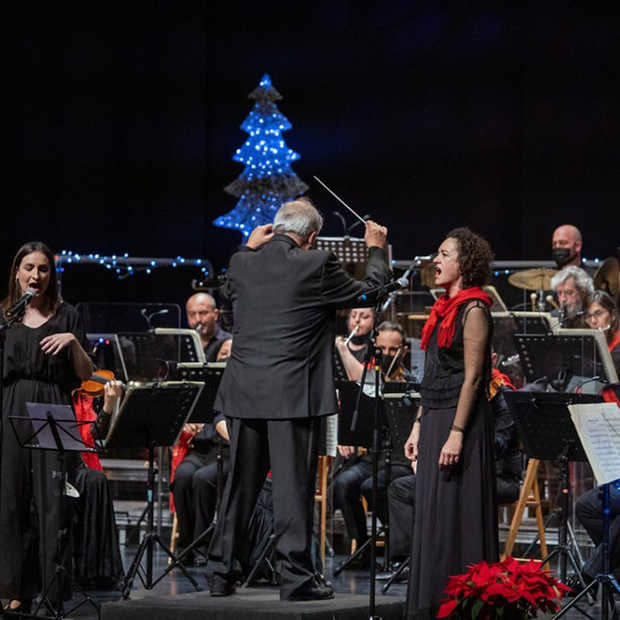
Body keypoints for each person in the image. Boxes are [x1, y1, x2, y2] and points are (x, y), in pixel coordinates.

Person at [205, 198, 390, 601]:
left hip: (245, 392)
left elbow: (228, 289)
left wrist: (246, 248)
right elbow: (372, 294)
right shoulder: (315, 263)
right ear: (311, 237)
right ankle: (295, 579)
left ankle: (221, 573)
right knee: (292, 489)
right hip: (291, 394)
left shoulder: (241, 262)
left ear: (274, 228)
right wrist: (376, 248)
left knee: (239, 487)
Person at [404, 227, 498, 620]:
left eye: (444, 254)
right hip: (436, 416)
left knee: (456, 512)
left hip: (462, 424)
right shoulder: (441, 309)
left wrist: (456, 434)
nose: (435, 261)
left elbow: (473, 379)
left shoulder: (475, 309)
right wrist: (418, 425)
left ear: (464, 263)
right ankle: (431, 603)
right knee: (433, 514)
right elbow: (434, 376)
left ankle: (463, 608)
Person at [0, 241, 93, 613]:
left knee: (53, 502)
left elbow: (86, 376)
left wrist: (73, 343)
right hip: (10, 407)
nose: (35, 276)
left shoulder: (66, 315)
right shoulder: (6, 315)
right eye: (28, 268)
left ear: (51, 274)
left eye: (42, 269)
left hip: (53, 405)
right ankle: (13, 588)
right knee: (11, 501)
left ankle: (52, 590)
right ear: (16, 272)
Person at [388, 359, 521, 572]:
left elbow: (497, 447)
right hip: (459, 470)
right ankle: (410, 562)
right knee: (400, 489)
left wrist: (455, 446)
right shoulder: (456, 394)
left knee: (447, 489)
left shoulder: (500, 396)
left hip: (496, 477)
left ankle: (452, 561)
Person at [331, 321, 412, 568]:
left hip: (400, 459)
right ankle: (362, 547)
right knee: (342, 484)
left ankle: (401, 544)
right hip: (372, 457)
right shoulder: (370, 378)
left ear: (404, 351)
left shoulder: (409, 382)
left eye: (392, 349)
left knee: (372, 486)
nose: (386, 354)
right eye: (382, 349)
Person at [170, 340, 232, 566]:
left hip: (230, 454)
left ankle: (201, 546)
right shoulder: (207, 386)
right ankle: (187, 543)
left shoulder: (242, 386)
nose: (227, 356)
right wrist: (188, 425)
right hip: (203, 450)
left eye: (232, 353)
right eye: (223, 353)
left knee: (203, 479)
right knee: (184, 475)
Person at [186, 292, 232, 361]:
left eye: (203, 313)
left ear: (216, 314)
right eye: (192, 314)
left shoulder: (229, 341)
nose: (198, 319)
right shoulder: (182, 343)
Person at [334, 307, 375, 381]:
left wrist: (344, 351)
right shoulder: (337, 344)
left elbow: (367, 380)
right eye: (353, 315)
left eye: (364, 317)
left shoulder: (375, 349)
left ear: (374, 321)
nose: (357, 320)